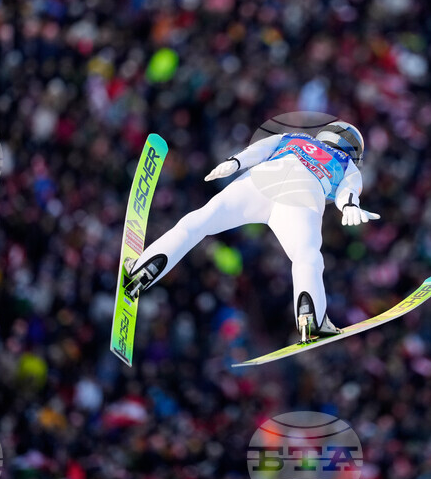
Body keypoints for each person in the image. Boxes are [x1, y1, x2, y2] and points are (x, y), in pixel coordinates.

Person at [124, 121, 379, 342]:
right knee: (307, 259)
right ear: (353, 150)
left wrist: (234, 162)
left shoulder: (296, 138)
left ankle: (142, 270)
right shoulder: (348, 165)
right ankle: (311, 322)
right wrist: (349, 207)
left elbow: (261, 149)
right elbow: (349, 192)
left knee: (198, 223)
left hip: (260, 182)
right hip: (301, 199)